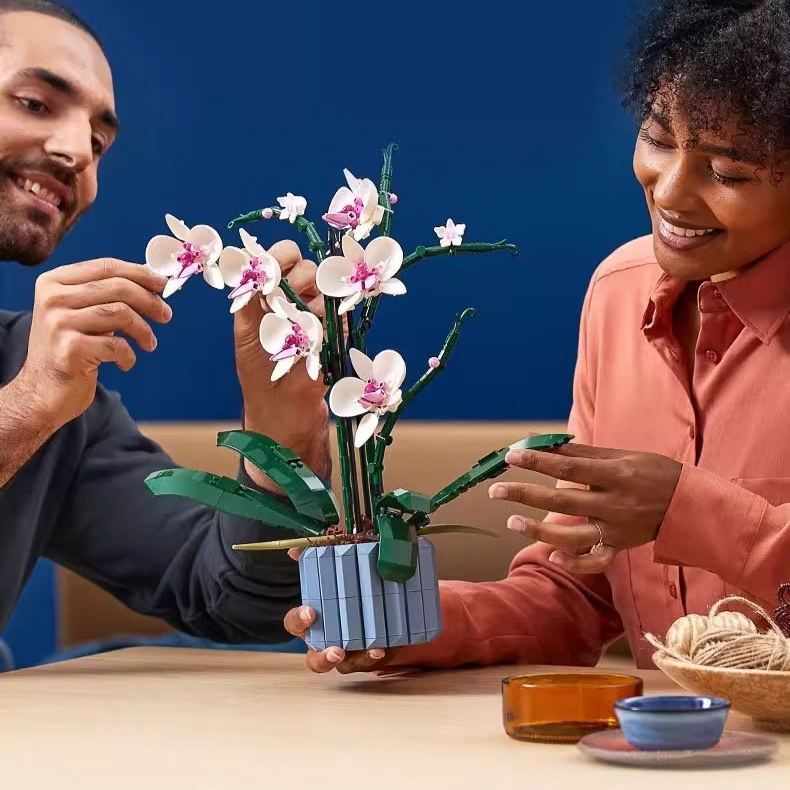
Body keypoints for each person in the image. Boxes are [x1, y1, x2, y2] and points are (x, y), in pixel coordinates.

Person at [283, 0, 790, 673]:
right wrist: (414, 624)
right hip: (663, 758)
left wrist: (689, 511)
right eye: (659, 139)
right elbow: (577, 595)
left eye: (727, 173)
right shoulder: (617, 293)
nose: (669, 192)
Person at [0, 1, 326, 646]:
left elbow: (232, 597)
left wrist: (281, 436)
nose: (76, 152)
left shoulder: (52, 383)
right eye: (35, 103)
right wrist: (24, 410)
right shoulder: (38, 391)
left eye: (99, 142)